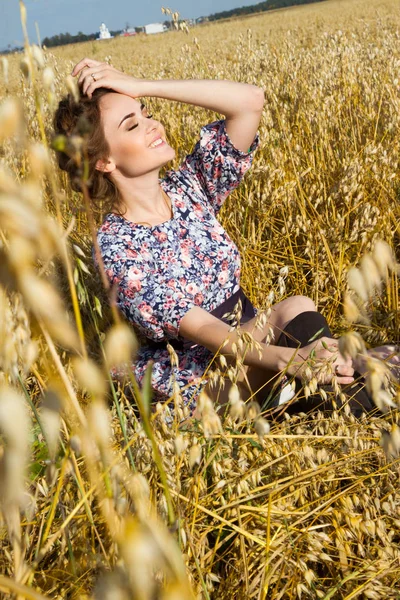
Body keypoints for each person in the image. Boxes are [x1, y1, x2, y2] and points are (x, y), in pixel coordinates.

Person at [53, 58, 391, 418]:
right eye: (133, 124)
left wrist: (142, 84)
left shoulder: (188, 188)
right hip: (198, 377)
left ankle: (337, 398)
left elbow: (249, 102)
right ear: (103, 160)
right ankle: (351, 402)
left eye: (147, 112)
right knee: (317, 348)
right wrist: (288, 360)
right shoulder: (115, 244)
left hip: (250, 341)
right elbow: (199, 325)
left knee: (301, 312)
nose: (154, 126)